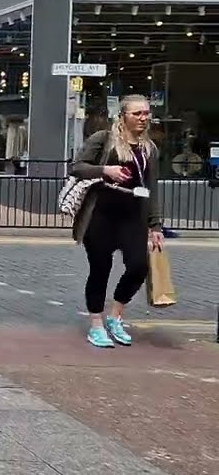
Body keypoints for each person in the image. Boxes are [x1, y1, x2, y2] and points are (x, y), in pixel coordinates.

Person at [70, 94, 163, 348]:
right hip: (100, 215)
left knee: (138, 267)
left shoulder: (149, 148)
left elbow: (151, 187)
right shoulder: (104, 139)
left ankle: (115, 316)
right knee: (101, 269)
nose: (143, 118)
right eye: (137, 114)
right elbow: (77, 167)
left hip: (133, 217)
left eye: (146, 113)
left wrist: (155, 225)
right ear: (123, 116)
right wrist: (104, 170)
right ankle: (97, 325)